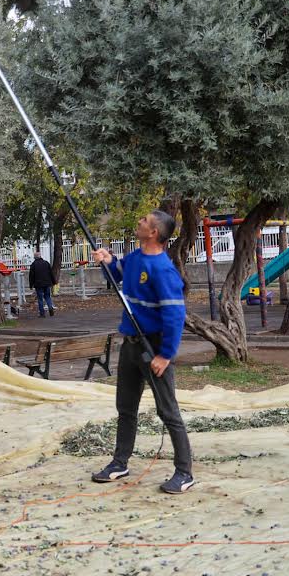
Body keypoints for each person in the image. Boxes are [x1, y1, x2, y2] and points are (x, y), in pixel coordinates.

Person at [89, 210, 194, 495]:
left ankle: (184, 472)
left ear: (154, 233)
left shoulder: (163, 269)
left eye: (145, 221)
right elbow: (119, 273)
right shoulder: (136, 258)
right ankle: (120, 462)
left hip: (154, 347)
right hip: (131, 345)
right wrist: (107, 262)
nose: (139, 221)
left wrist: (165, 355)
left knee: (168, 411)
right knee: (125, 408)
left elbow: (174, 315)